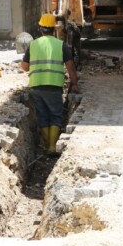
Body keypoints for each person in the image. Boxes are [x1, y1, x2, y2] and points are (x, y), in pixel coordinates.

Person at [20, 13, 79, 156]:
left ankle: (47, 145)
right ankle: (52, 146)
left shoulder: (33, 45)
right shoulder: (61, 45)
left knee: (42, 116)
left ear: (41, 28)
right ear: (54, 29)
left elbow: (25, 66)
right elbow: (70, 66)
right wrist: (74, 84)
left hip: (37, 86)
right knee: (56, 116)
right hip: (54, 86)